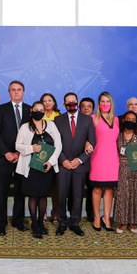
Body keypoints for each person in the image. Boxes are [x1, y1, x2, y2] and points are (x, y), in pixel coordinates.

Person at [16, 100, 62, 238]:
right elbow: (17, 145)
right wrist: (32, 148)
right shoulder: (25, 127)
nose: (39, 112)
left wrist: (51, 161)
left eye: (42, 110)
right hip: (30, 168)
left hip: (46, 167)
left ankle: (42, 223)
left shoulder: (52, 125)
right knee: (33, 196)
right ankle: (34, 224)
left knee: (43, 196)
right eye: (36, 109)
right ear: (31, 111)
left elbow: (59, 145)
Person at [53, 92, 95, 236]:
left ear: (77, 102)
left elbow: (92, 142)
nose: (71, 104)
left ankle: (75, 223)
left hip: (80, 165)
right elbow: (55, 143)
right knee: (61, 195)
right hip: (62, 164)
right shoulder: (57, 120)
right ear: (64, 105)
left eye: (74, 102)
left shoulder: (87, 120)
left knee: (77, 196)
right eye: (68, 102)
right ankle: (62, 222)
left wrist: (79, 160)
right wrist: (63, 160)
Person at [0, 80, 31, 236]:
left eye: (19, 89)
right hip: (4, 157)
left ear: (23, 92)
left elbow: (32, 133)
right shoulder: (1, 109)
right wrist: (6, 153)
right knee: (1, 191)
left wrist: (20, 153)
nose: (16, 92)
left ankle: (18, 220)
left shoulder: (29, 110)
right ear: (9, 92)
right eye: (13, 90)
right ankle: (0, 223)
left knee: (21, 191)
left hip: (23, 157)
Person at [114, 111, 137, 233]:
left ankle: (134, 222)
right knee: (123, 195)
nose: (130, 121)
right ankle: (123, 222)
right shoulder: (117, 135)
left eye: (133, 119)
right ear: (123, 120)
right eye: (128, 118)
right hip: (122, 168)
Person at [89, 91, 120, 231]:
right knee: (97, 189)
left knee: (109, 188)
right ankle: (96, 217)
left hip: (113, 158)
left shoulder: (117, 119)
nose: (105, 104)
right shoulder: (93, 118)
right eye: (102, 101)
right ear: (99, 104)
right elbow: (87, 137)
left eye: (108, 101)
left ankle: (106, 217)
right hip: (98, 158)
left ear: (111, 103)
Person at [40, 92, 60, 223]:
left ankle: (55, 212)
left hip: (55, 154)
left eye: (50, 100)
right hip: (40, 154)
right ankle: (43, 212)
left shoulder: (59, 116)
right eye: (45, 101)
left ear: (54, 103)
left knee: (55, 187)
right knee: (42, 186)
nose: (47, 103)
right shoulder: (37, 115)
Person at [79, 95, 96, 222]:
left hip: (95, 160)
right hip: (78, 160)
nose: (86, 109)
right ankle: (74, 214)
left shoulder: (97, 121)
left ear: (93, 109)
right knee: (76, 189)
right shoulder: (75, 120)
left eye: (89, 107)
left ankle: (91, 214)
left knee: (92, 188)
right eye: (83, 106)